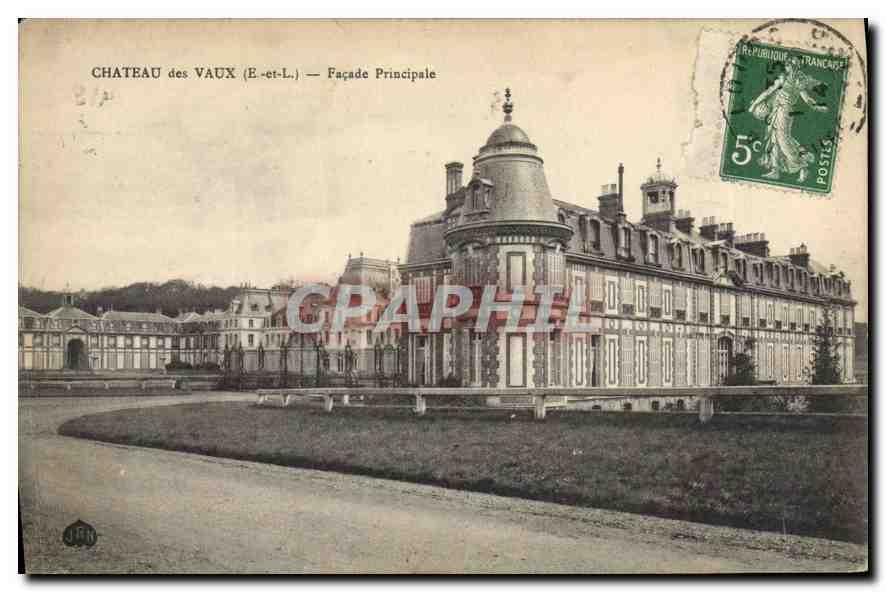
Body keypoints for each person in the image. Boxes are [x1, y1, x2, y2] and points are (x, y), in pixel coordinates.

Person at [747, 57, 828, 183]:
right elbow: (768, 92)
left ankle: (801, 165)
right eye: (787, 65)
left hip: (785, 112)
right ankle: (775, 170)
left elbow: (807, 99)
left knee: (783, 139)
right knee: (774, 138)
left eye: (789, 65)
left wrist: (817, 107)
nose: (787, 67)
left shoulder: (799, 81)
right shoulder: (783, 78)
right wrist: (754, 105)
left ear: (794, 66)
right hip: (776, 110)